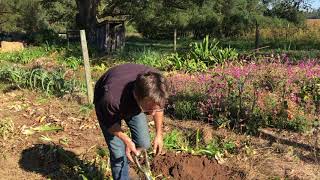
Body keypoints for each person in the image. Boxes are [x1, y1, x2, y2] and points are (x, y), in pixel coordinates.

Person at [93, 63, 169, 180]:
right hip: (108, 110)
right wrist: (126, 140)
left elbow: (158, 106)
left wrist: (159, 134)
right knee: (118, 153)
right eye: (149, 109)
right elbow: (109, 123)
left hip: (132, 100)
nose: (153, 114)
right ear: (138, 97)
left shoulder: (157, 83)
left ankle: (134, 160)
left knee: (144, 143)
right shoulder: (110, 99)